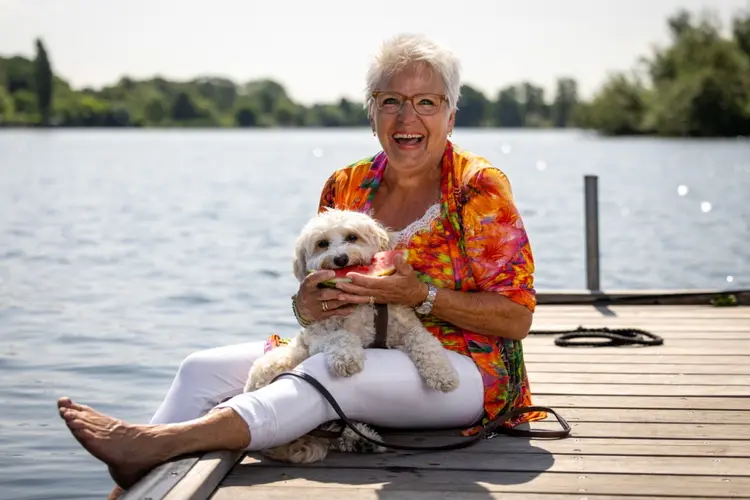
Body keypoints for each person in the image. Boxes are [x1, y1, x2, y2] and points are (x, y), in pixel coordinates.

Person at [57, 33, 545, 495]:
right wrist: (305, 305)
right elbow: (313, 300)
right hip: (351, 340)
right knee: (200, 369)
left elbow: (517, 319)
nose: (406, 117)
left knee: (329, 374)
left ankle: (155, 444)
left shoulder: (478, 189)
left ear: (450, 116)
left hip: (465, 372)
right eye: (390, 100)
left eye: (426, 102)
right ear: (372, 112)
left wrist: (422, 296)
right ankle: (131, 490)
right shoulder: (346, 184)